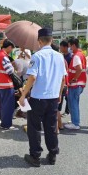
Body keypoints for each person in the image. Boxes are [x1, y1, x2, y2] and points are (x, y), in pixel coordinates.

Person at [19, 28, 66, 167]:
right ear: (51, 40)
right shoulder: (60, 56)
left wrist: (23, 95)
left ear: (39, 41)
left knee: (34, 128)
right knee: (51, 128)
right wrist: (59, 95)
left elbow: (32, 77)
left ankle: (35, 156)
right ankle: (52, 155)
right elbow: (63, 78)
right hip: (53, 98)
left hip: (38, 98)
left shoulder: (37, 56)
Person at [0, 39, 15, 130]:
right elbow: (10, 71)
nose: (12, 50)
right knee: (8, 106)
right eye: (12, 48)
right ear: (9, 47)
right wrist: (13, 65)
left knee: (2, 105)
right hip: (7, 84)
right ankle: (6, 124)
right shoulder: (4, 57)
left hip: (0, 84)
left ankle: (3, 122)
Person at [64, 38, 87, 130]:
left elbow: (79, 68)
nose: (69, 48)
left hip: (76, 84)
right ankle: (75, 120)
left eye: (69, 46)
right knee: (75, 103)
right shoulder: (81, 54)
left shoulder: (77, 56)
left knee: (73, 103)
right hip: (80, 83)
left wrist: (74, 79)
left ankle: (75, 123)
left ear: (73, 45)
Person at [60, 40, 72, 117]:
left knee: (67, 97)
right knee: (61, 96)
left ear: (65, 47)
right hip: (63, 80)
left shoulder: (70, 57)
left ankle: (67, 111)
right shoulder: (62, 56)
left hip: (67, 80)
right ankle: (60, 110)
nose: (60, 49)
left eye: (61, 47)